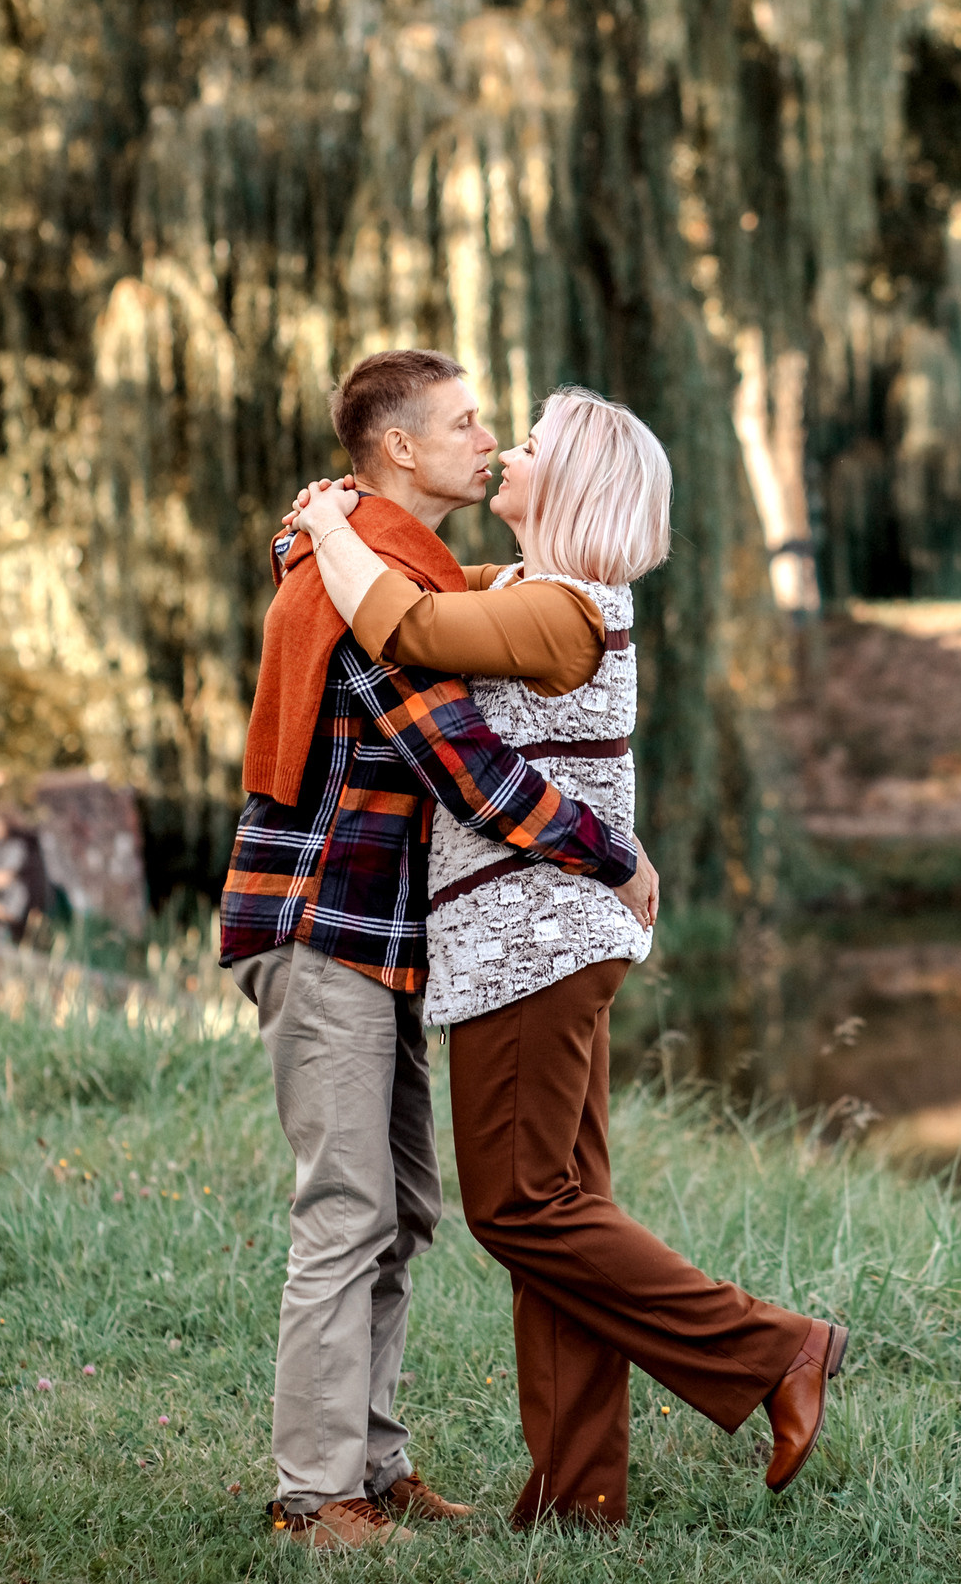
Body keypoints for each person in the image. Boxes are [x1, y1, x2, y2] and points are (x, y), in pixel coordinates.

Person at [290, 385, 846, 1531]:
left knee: (520, 1207)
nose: (508, 452)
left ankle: (775, 1350)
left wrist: (330, 525)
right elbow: (434, 593)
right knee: (564, 1202)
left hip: (530, 947)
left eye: (531, 443)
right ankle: (579, 1496)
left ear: (574, 480)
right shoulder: (534, 594)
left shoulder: (566, 614)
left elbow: (401, 622)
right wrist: (340, 525)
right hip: (547, 940)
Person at [220, 350, 660, 1551]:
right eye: (467, 424)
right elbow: (464, 765)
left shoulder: (372, 555)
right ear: (400, 450)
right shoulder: (365, 592)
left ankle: (372, 1462)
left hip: (384, 940)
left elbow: (472, 594)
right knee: (348, 1209)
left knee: (403, 1210)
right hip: (321, 926)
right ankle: (315, 1499)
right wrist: (614, 854)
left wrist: (316, 528)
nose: (490, 440)